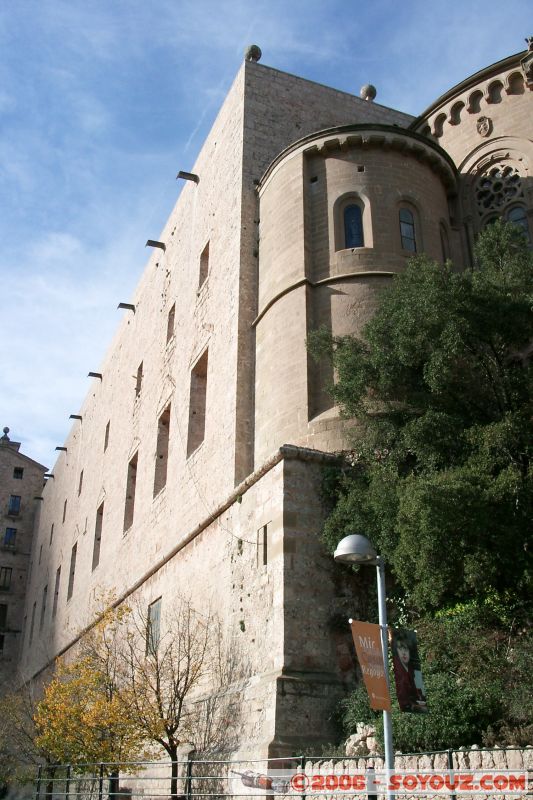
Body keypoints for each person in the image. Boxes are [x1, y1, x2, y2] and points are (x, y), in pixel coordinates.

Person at [392, 630, 428, 713]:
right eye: (401, 648)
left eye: (406, 649)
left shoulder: (412, 672)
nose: (404, 653)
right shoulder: (399, 674)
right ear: (397, 651)